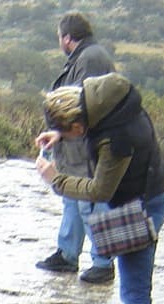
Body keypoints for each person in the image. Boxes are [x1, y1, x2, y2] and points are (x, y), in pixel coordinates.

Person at [34, 72, 164, 304]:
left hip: (139, 209)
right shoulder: (109, 101)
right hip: (145, 198)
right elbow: (87, 128)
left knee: (136, 298)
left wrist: (56, 180)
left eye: (69, 131)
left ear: (79, 126)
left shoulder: (115, 139)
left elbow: (100, 188)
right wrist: (59, 134)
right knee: (131, 295)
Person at [34, 11, 117, 284]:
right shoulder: (87, 56)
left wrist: (63, 130)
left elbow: (82, 106)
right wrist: (59, 133)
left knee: (89, 203)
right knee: (74, 199)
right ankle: (67, 254)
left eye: (60, 37)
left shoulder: (90, 59)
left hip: (85, 147)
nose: (59, 41)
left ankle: (103, 263)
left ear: (68, 38)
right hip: (75, 144)